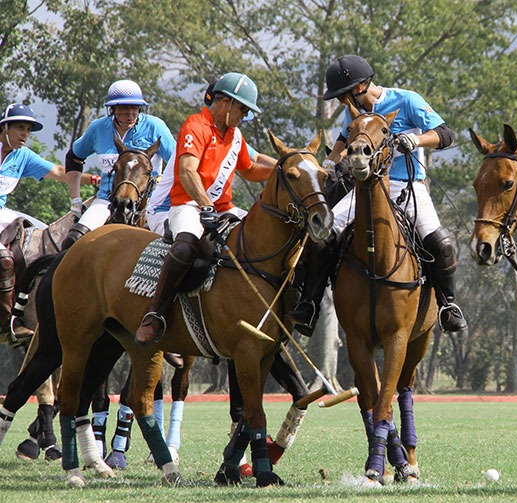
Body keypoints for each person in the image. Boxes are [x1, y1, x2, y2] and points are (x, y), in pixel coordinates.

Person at [284, 54, 467, 335]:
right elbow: (344, 141)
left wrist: (415, 139)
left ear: (358, 88)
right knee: (324, 235)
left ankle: (447, 306)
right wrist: (329, 165)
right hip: (365, 189)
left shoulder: (407, 100)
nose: (341, 102)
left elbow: (445, 134)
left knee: (441, 243)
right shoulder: (355, 111)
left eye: (342, 96)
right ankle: (310, 304)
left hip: (407, 186)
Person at [134, 72, 273, 345]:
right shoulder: (195, 125)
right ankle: (155, 314)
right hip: (187, 204)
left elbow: (249, 169)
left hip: (224, 207)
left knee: (263, 235)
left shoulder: (234, 136)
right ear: (225, 102)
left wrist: (285, 168)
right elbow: (187, 170)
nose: (244, 115)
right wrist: (205, 205)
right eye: (242, 108)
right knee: (186, 247)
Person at [0, 103, 95, 340]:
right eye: (20, 127)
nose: (25, 134)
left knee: (43, 239)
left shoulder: (22, 156)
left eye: (28, 129)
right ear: (5, 127)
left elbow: (61, 173)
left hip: (2, 212)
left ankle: (23, 307)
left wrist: (96, 179)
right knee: (3, 257)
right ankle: (6, 321)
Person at [62, 79, 175, 246]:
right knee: (73, 240)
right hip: (107, 201)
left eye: (134, 108)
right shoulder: (98, 128)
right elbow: (74, 157)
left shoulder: (155, 126)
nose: (130, 113)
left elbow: (179, 163)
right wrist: (75, 201)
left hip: (150, 204)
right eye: (123, 108)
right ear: (112, 109)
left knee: (174, 245)